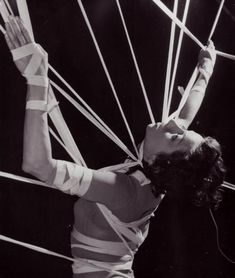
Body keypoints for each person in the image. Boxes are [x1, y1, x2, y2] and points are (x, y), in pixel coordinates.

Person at [4, 16, 225, 278]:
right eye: (183, 131)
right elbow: (188, 110)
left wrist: (36, 79)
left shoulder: (124, 191)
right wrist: (206, 69)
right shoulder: (156, 172)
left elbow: (38, 165)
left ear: (162, 161)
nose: (175, 125)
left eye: (177, 137)